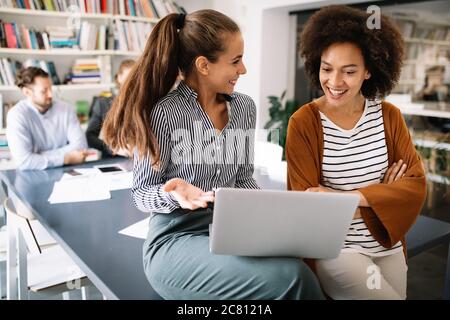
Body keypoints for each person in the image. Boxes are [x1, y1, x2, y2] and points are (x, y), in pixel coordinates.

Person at [102, 9, 324, 300]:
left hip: (231, 227)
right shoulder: (164, 113)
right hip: (176, 238)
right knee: (292, 279)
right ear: (203, 65)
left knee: (302, 263)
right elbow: (140, 193)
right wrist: (173, 193)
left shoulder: (245, 108)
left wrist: (279, 210)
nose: (243, 69)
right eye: (236, 61)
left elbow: (243, 179)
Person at [285, 5, 427, 300]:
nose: (335, 83)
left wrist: (342, 198)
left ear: (368, 71)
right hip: (339, 249)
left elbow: (415, 186)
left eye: (349, 71)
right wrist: (382, 194)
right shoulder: (303, 123)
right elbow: (308, 204)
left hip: (389, 245)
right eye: (327, 68)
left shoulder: (389, 116)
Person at [7, 67, 88, 170]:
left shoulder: (66, 109)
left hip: (66, 172)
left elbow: (81, 146)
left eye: (50, 88)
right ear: (27, 92)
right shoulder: (16, 115)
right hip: (32, 177)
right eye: (44, 91)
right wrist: (66, 158)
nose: (50, 94)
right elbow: (24, 161)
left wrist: (39, 157)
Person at [85, 59, 135, 157]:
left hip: (140, 160)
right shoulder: (103, 104)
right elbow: (89, 136)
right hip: (112, 159)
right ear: (119, 77)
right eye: (129, 77)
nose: (133, 82)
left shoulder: (145, 104)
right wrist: (112, 148)